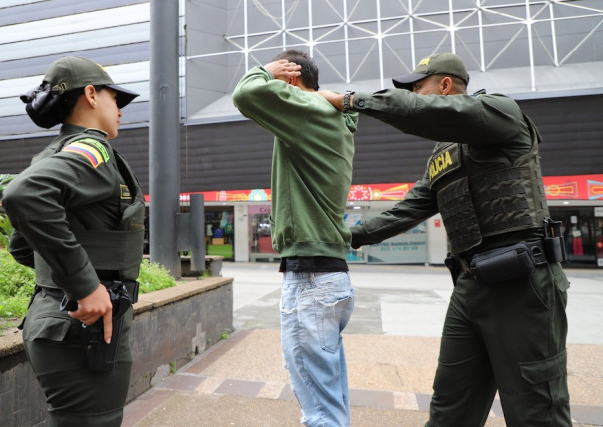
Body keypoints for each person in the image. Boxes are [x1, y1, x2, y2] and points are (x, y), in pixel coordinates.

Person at [319, 52, 571, 426]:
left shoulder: (501, 112)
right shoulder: (444, 154)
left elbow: (424, 113)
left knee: (536, 413)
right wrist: (343, 237)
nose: (414, 95)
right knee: (450, 410)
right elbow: (411, 207)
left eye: (418, 87)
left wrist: (352, 100)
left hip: (523, 285)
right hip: (470, 288)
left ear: (445, 85)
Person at [2, 56, 145, 426]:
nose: (122, 112)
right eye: (118, 100)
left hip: (67, 323)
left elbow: (21, 244)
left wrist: (69, 275)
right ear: (92, 95)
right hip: (83, 327)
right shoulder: (91, 149)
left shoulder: (58, 151)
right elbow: (24, 196)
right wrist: (85, 285)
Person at [232, 50, 358, 426]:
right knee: (331, 403)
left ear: (290, 80)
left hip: (310, 282)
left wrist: (265, 71)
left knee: (319, 413)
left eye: (278, 79)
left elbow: (246, 94)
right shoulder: (330, 115)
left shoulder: (307, 110)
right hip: (328, 277)